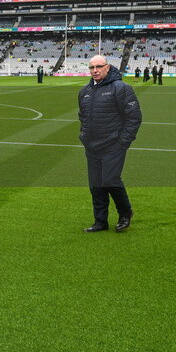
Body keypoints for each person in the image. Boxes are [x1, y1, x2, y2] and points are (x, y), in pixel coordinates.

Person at [77, 55, 142, 233]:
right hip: (92, 145)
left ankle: (125, 213)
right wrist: (84, 136)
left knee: (110, 181)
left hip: (113, 145)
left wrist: (123, 141)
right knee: (96, 185)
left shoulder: (121, 88)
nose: (95, 71)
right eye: (91, 67)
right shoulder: (84, 91)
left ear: (107, 67)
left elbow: (134, 117)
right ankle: (100, 221)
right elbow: (82, 116)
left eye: (99, 67)